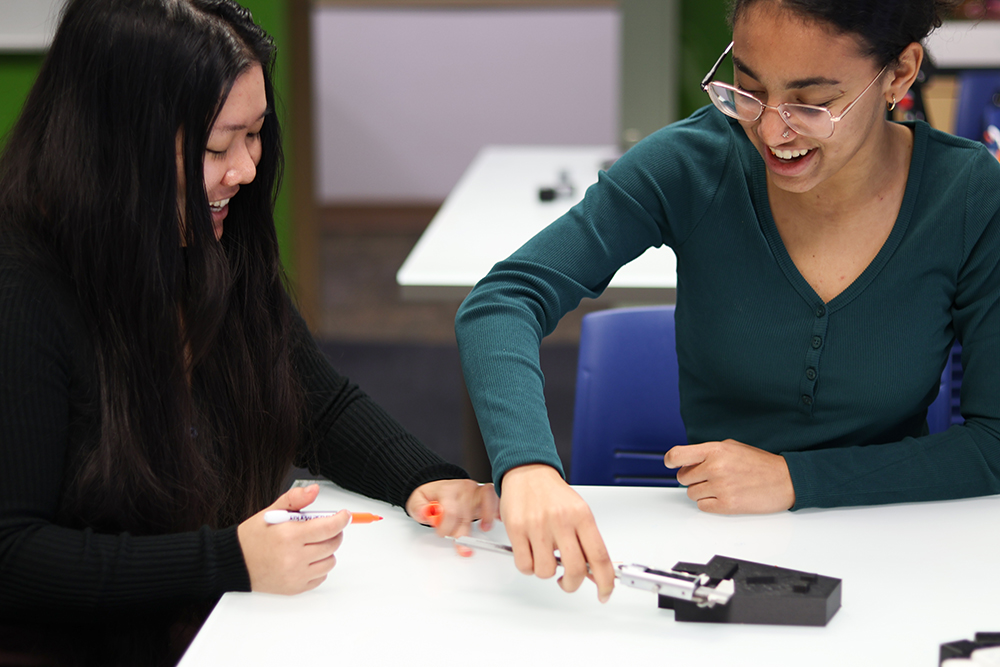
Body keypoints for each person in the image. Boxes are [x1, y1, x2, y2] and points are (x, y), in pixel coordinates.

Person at [0, 0, 496, 663]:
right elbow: (15, 552)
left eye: (256, 133)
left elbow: (320, 403)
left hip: (217, 624)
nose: (246, 169)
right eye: (216, 146)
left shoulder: (206, 241)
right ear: (116, 145)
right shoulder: (22, 289)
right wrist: (227, 560)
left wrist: (424, 479)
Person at [456, 0, 1000, 603]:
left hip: (901, 553)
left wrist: (796, 479)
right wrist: (528, 466)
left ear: (899, 74)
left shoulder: (967, 196)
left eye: (812, 103)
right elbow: (506, 298)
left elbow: (995, 443)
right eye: (747, 88)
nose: (771, 130)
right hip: (721, 557)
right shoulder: (694, 163)